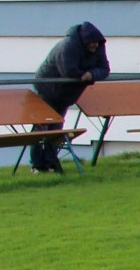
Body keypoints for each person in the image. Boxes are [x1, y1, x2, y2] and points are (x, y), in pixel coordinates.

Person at [29, 21, 109, 172]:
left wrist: (91, 74)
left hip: (65, 95)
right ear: (85, 41)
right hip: (47, 90)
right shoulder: (68, 46)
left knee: (57, 129)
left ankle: (51, 163)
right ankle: (37, 165)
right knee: (41, 128)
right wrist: (85, 75)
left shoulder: (98, 46)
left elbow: (105, 69)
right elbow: (68, 71)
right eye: (93, 43)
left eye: (97, 43)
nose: (96, 46)